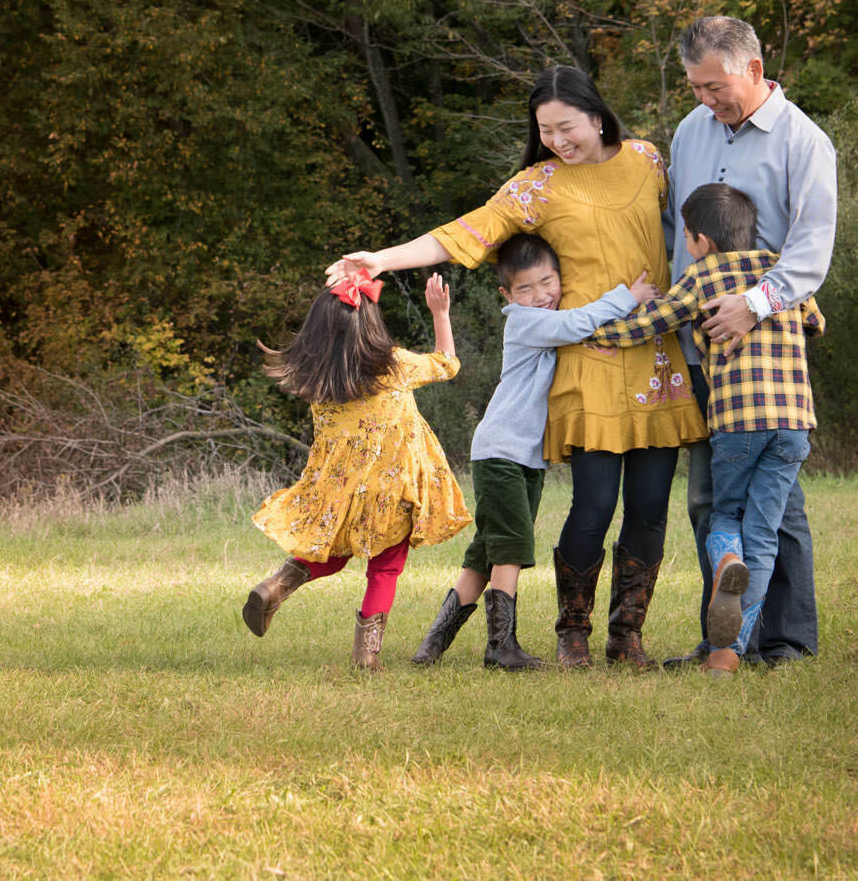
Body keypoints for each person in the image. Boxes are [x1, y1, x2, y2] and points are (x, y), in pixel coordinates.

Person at [329, 66, 703, 669]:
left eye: (567, 126)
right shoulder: (536, 186)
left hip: (657, 357)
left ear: (598, 115)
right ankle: (573, 632)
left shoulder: (647, 160)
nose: (557, 139)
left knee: (652, 505)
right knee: (593, 505)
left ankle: (626, 636)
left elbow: (693, 228)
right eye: (545, 130)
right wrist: (382, 259)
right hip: (589, 360)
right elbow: (463, 235)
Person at [587, 184, 825, 676]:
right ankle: (727, 655)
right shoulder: (781, 270)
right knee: (765, 532)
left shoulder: (700, 276)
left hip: (737, 425)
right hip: (794, 426)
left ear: (700, 241)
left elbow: (649, 323)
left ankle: (725, 562)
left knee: (725, 516)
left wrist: (591, 330)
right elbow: (816, 321)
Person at [664, 16, 837, 667]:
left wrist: (754, 305)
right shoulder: (689, 133)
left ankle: (783, 641)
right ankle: (727, 641)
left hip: (767, 347)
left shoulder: (804, 142)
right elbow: (675, 229)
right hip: (702, 347)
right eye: (697, 87)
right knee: (711, 498)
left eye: (716, 85)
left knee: (776, 504)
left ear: (755, 70)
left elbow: (811, 249)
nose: (707, 99)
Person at [408, 233, 654, 671]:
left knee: (484, 555)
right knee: (511, 548)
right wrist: (628, 296)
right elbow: (579, 323)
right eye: (526, 288)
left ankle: (431, 648)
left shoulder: (540, 313)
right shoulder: (524, 321)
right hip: (502, 452)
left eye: (547, 282)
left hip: (523, 458)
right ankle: (501, 647)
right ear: (507, 295)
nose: (540, 295)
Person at [241, 268, 472, 672]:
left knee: (332, 553)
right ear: (372, 324)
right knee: (384, 568)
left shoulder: (315, 379)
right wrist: (440, 312)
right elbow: (448, 363)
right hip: (392, 492)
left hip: (338, 493)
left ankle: (277, 585)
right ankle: (366, 656)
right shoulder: (396, 366)